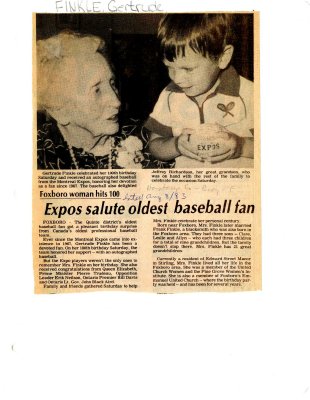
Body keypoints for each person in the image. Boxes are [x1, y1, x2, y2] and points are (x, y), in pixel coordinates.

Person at [37, 31, 172, 169]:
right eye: (97, 90)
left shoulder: (152, 141)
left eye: (112, 83)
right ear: (60, 110)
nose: (116, 101)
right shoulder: (37, 152)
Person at [144, 14, 254, 168]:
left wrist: (241, 146)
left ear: (223, 57)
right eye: (169, 67)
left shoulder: (251, 93)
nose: (177, 79)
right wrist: (176, 145)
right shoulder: (170, 95)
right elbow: (155, 145)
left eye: (188, 69)